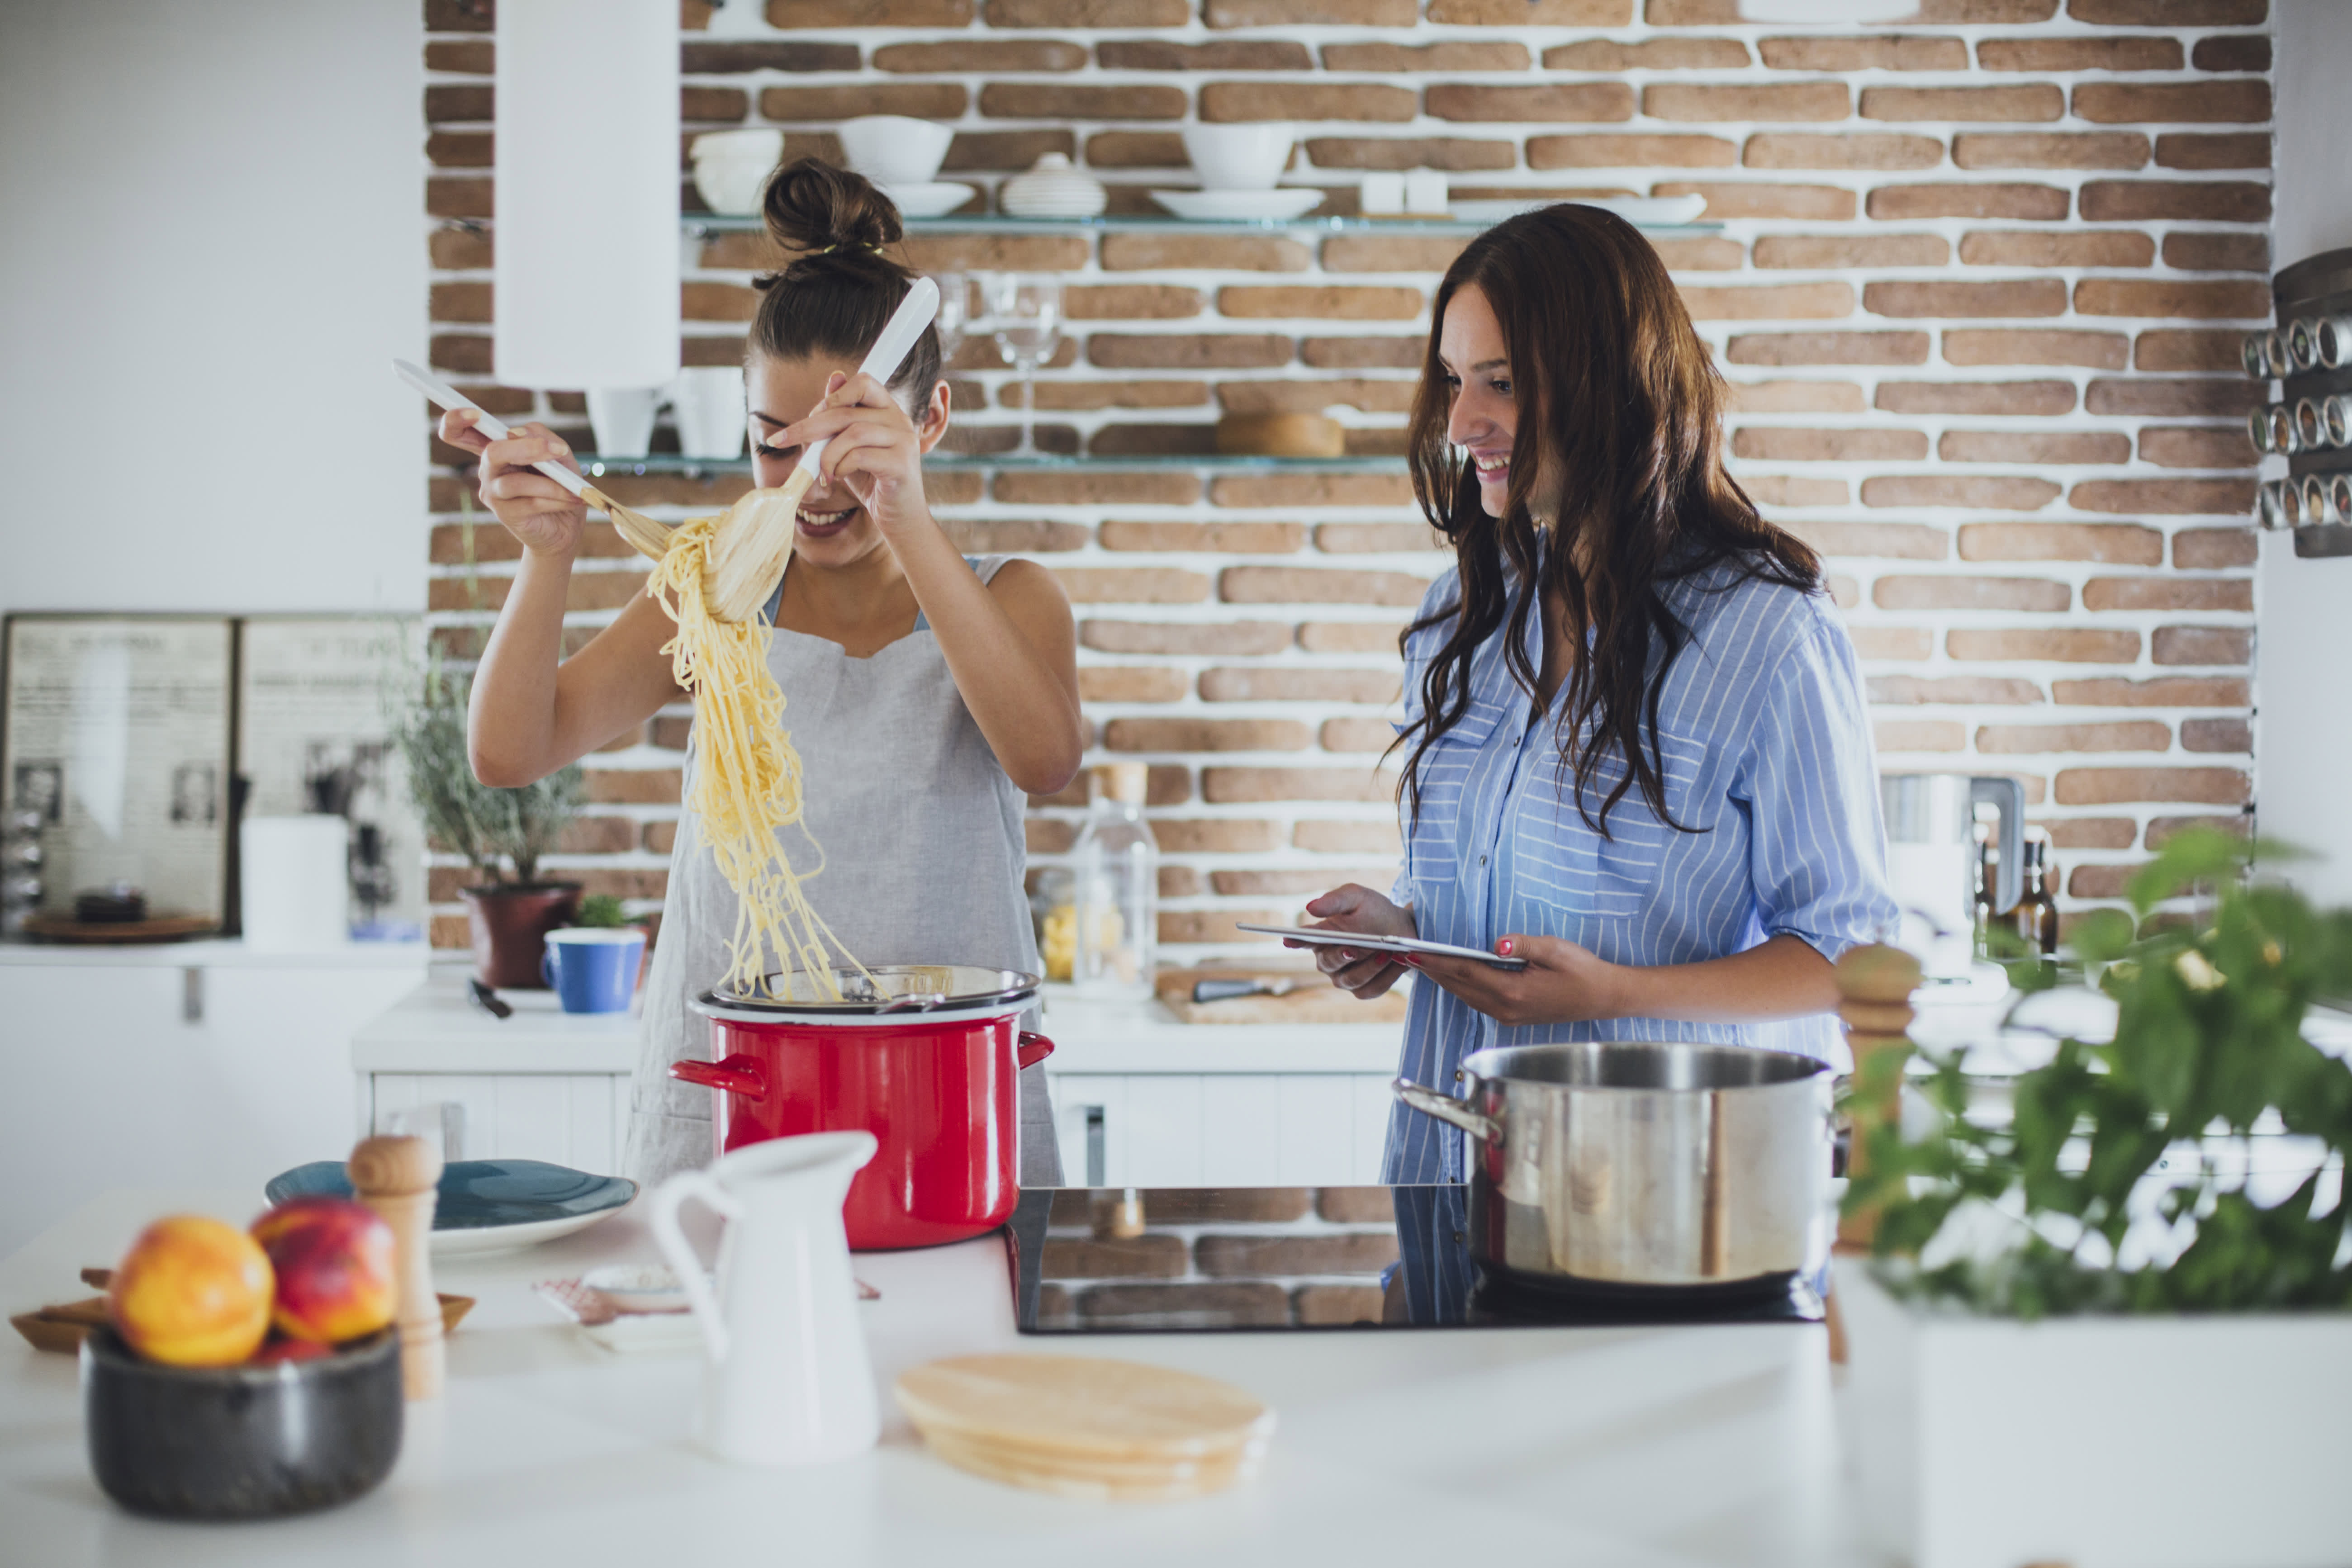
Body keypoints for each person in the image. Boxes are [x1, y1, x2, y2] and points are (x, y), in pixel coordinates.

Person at [437, 161, 1081, 1187]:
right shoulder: (716, 593)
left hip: (944, 1078)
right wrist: (547, 553)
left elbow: (1044, 759)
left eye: (845, 442)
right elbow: (510, 752)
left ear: (930, 423)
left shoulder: (1012, 598)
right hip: (739, 1083)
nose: (808, 484)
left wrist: (906, 519)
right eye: (771, 447)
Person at [1300, 204, 1897, 1186]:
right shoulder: (1460, 615)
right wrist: (1407, 933)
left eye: (1501, 382)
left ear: (1606, 385)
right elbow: (1502, 898)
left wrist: (1616, 993)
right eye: (1453, 382)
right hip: (1451, 1170)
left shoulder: (1768, 634)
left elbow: (1849, 955)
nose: (1460, 424)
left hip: (1665, 1203)